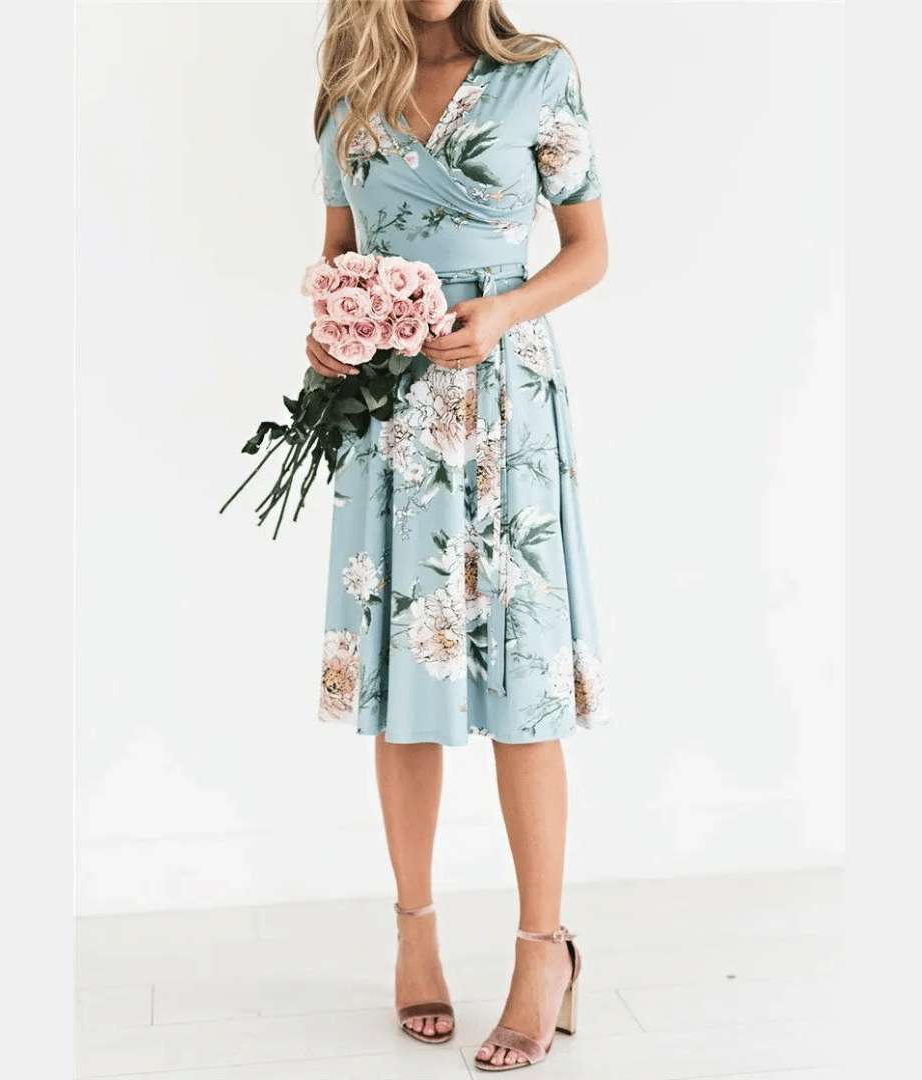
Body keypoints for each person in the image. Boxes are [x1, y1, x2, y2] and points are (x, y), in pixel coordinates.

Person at [308, 0, 611, 1071]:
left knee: (524, 678)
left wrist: (504, 312)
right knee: (405, 677)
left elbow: (589, 250)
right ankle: (415, 936)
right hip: (390, 413)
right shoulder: (350, 86)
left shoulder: (540, 73)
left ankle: (543, 953)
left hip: (506, 401)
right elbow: (338, 254)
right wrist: (329, 334)